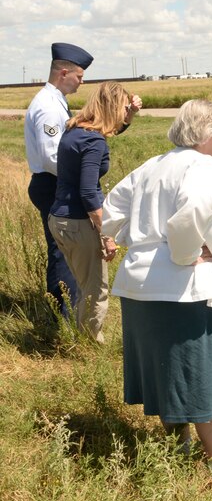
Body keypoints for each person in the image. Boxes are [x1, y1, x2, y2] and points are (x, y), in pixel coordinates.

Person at [102, 99, 212, 486]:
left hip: (140, 289)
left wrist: (138, 240)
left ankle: (180, 450)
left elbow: (110, 212)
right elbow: (190, 216)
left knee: (168, 373)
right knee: (203, 377)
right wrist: (185, 252)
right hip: (186, 292)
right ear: (207, 133)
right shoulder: (207, 167)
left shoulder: (152, 165)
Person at [47, 81, 141, 343]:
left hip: (59, 219)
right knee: (95, 290)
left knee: (82, 284)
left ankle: (81, 335)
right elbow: (88, 193)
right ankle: (88, 345)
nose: (126, 113)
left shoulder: (75, 129)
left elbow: (114, 127)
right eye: (124, 108)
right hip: (79, 223)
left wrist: (131, 113)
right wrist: (107, 233)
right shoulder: (94, 141)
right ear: (112, 107)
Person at [25, 42, 93, 316]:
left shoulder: (54, 101)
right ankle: (64, 314)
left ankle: (64, 309)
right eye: (79, 76)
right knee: (61, 249)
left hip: (53, 182)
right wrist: (81, 179)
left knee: (62, 247)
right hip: (53, 183)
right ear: (63, 73)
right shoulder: (49, 107)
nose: (81, 82)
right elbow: (52, 156)